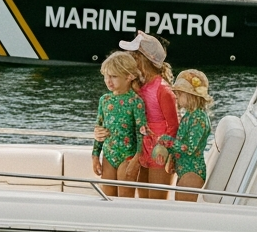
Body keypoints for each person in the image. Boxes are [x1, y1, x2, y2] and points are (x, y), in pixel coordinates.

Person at [123, 31, 177, 199]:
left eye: (133, 55)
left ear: (141, 59)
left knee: (156, 199)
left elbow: (174, 125)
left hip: (159, 149)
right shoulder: (140, 86)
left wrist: (165, 152)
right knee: (143, 198)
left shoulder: (163, 89)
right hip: (144, 147)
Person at [91, 51, 146, 198]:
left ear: (129, 76)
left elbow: (141, 134)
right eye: (106, 76)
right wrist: (95, 156)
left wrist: (136, 160)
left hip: (128, 156)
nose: (108, 81)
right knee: (107, 198)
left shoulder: (135, 102)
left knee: (124, 199)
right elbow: (99, 128)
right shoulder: (104, 100)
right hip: (108, 154)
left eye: (113, 77)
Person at [162, 69, 214, 202]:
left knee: (183, 210)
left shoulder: (199, 118)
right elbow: (181, 140)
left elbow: (189, 148)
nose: (176, 97)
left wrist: (168, 141)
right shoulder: (189, 115)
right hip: (185, 169)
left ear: (191, 95)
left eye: (179, 94)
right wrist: (172, 157)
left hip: (192, 171)